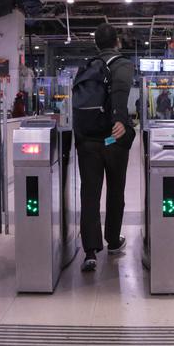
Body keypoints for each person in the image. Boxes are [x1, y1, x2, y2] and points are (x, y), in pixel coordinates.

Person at [75, 24, 135, 272]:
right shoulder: (123, 64)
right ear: (117, 42)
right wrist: (120, 119)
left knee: (89, 194)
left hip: (88, 140)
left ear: (97, 44)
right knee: (115, 190)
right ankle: (112, 241)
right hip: (112, 139)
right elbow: (120, 92)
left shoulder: (87, 67)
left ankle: (90, 251)